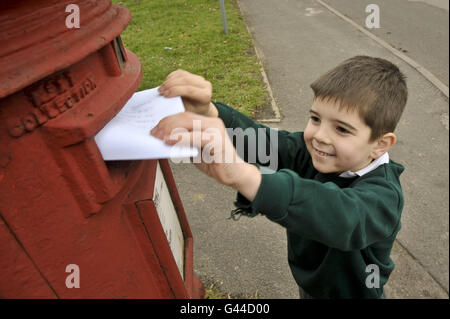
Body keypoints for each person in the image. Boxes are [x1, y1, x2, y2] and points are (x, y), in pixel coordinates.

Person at [151, 55, 408, 299]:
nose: (320, 136)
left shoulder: (384, 195)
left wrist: (244, 175)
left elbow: (342, 216)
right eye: (315, 118)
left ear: (380, 144)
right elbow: (265, 143)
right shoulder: (315, 153)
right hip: (310, 284)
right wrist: (208, 113)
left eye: (341, 129)